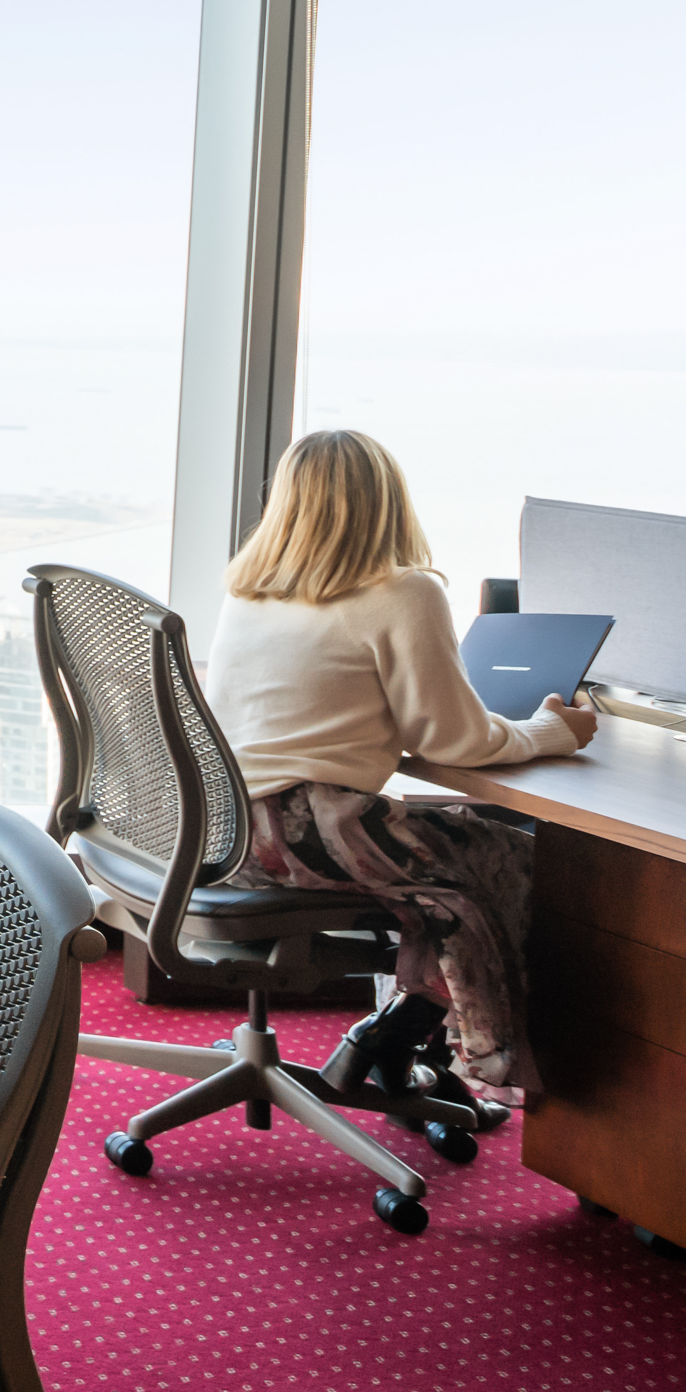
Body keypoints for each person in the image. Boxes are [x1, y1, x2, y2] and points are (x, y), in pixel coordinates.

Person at [208, 428, 593, 1101]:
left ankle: (392, 1036)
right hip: (311, 833)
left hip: (225, 832)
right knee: (510, 857)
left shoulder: (250, 592)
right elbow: (454, 742)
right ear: (385, 501)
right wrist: (551, 730)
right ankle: (485, 1061)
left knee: (443, 856)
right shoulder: (403, 592)